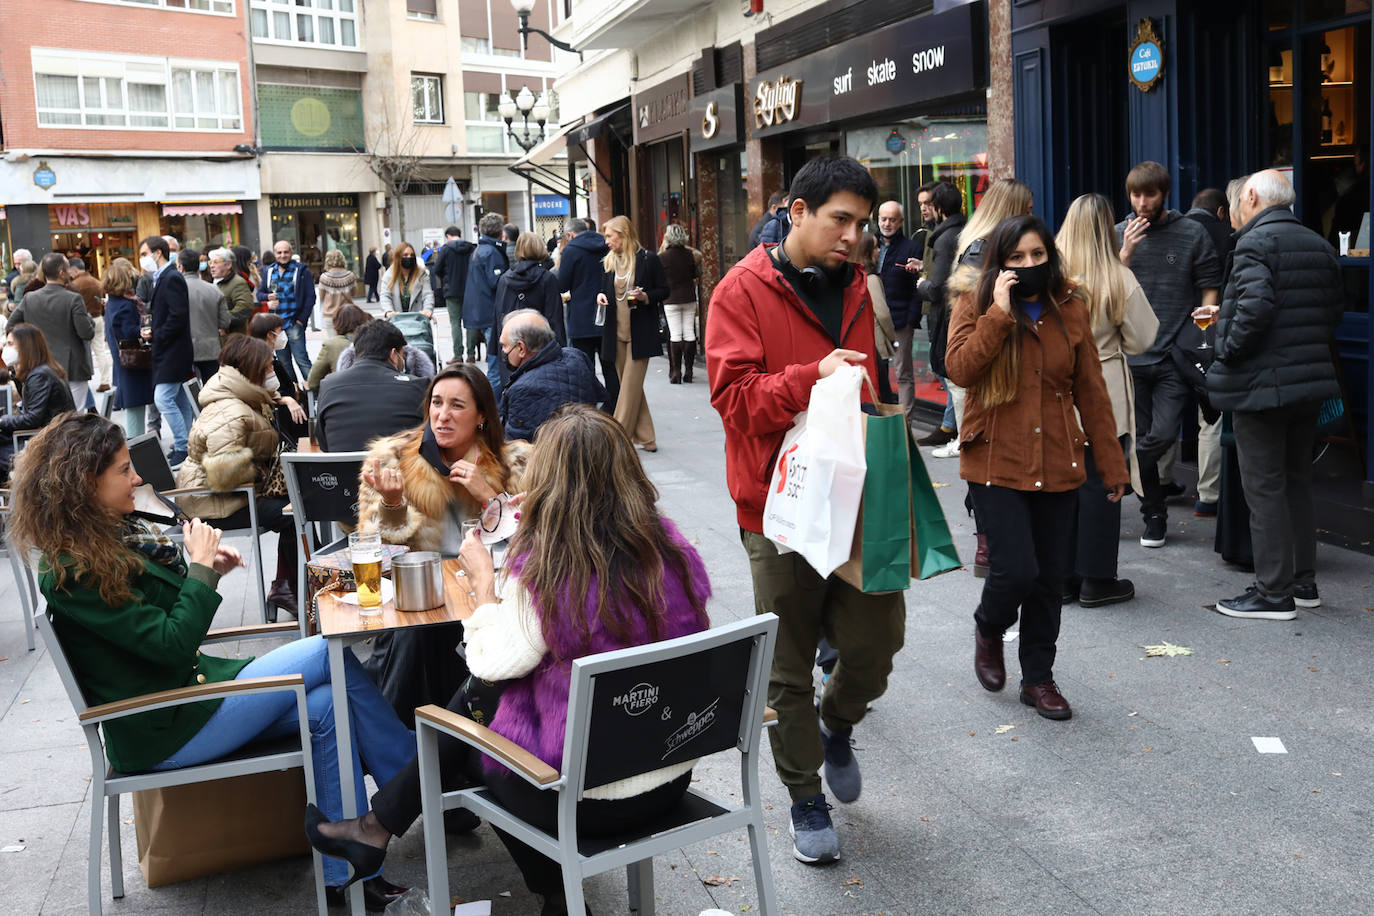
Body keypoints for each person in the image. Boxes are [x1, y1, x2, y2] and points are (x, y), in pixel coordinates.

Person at [304, 405, 709, 916]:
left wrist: (485, 586)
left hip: (585, 802)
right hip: (669, 773)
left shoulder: (550, 566)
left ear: (548, 484)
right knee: (475, 702)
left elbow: (490, 662)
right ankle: (377, 828)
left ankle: (552, 892)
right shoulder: (672, 548)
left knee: (469, 724)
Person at [9, 412, 416, 909]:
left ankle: (347, 871)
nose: (136, 478)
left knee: (329, 702)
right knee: (326, 650)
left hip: (184, 697)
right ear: (83, 483)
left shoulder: (108, 539)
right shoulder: (72, 569)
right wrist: (200, 570)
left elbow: (158, 631)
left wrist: (207, 572)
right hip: (162, 723)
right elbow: (170, 644)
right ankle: (417, 784)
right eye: (122, 469)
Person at [707, 156, 895, 866]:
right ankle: (803, 792)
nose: (852, 236)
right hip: (775, 507)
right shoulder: (741, 290)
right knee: (787, 660)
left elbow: (867, 385)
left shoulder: (857, 288)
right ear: (797, 213)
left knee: (879, 642)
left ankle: (838, 720)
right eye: (839, 220)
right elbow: (735, 402)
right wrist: (808, 378)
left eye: (861, 223)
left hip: (855, 498)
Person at [945, 213, 1128, 722]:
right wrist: (999, 314)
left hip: (1059, 459)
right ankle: (988, 626)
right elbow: (959, 369)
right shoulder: (975, 302)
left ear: (1051, 255)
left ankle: (1039, 680)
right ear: (999, 264)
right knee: (1015, 569)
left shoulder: (1069, 308)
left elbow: (1092, 389)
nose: (1028, 265)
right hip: (994, 459)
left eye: (1037, 256)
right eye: (1016, 258)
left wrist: (1112, 465)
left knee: (1049, 579)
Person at [1206, 170, 1344, 620]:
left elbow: (1256, 307)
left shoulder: (1253, 243)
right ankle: (1303, 582)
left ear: (1250, 196)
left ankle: (1273, 592)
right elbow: (1331, 311)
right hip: (1308, 383)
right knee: (1298, 482)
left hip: (1263, 386)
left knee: (1264, 487)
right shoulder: (1318, 244)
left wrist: (1225, 344)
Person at [355, 364, 525, 724]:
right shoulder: (394, 460)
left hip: (490, 596)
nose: (442, 416)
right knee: (418, 636)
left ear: (481, 416)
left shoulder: (513, 464)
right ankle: (401, 743)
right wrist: (393, 504)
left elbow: (532, 546)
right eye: (436, 403)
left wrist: (489, 496)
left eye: (457, 406)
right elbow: (374, 552)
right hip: (419, 603)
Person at [1056, 194, 1159, 607]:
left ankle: (1062, 577)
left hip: (1057, 388)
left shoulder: (1050, 275)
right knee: (1102, 481)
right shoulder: (1116, 276)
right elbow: (1143, 338)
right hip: (1103, 385)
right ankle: (1097, 578)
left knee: (1062, 484)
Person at [1117, 161, 1222, 549]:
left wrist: (1199, 335)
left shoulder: (1191, 233)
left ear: (1165, 194)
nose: (1142, 202)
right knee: (1143, 435)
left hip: (1174, 356)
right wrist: (1125, 252)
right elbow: (1104, 291)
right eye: (1136, 195)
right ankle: (1154, 515)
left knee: (1161, 435)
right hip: (1129, 356)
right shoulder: (1117, 234)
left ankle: (1133, 475)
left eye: (1150, 194)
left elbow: (1210, 286)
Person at [175, 335, 300, 616]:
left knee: (300, 506)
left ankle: (290, 585)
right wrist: (266, 476)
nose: (273, 372)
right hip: (214, 503)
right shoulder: (230, 410)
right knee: (296, 515)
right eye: (269, 367)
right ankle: (291, 587)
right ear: (253, 370)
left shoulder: (243, 397)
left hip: (227, 494)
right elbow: (225, 474)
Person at [1181, 187, 1234, 518]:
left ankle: (1157, 480)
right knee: (1210, 416)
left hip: (1170, 333)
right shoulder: (1227, 235)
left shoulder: (1172, 232)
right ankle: (1209, 494)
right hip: (1209, 333)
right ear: (1220, 211)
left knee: (1165, 412)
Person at [596, 216, 667, 452]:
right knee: (632, 388)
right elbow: (602, 290)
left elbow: (664, 290)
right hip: (615, 333)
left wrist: (646, 297)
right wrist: (600, 296)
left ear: (624, 234)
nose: (606, 241)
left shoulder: (648, 259)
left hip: (640, 333)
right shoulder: (608, 262)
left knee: (629, 387)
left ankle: (618, 438)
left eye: (609, 236)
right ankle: (648, 439)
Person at [316, 320, 428, 453]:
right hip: (400, 470)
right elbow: (430, 439)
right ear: (393, 354)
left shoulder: (328, 385)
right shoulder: (418, 386)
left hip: (343, 472)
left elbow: (323, 443)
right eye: (402, 355)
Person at [916, 182, 969, 455]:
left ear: (938, 208)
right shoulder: (959, 232)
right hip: (957, 312)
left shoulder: (946, 238)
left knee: (953, 380)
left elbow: (937, 288)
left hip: (948, 316)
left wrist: (921, 284)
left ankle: (961, 440)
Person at [498, 310, 605, 441]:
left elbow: (517, 446)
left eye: (504, 345)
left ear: (521, 348)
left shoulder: (522, 390)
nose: (503, 351)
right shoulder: (576, 356)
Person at [136, 237, 197, 467]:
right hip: (172, 349)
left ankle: (183, 445)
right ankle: (188, 443)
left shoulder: (171, 277)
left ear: (157, 253)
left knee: (162, 399)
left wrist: (157, 334)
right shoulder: (163, 277)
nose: (142, 259)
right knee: (179, 399)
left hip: (173, 350)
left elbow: (177, 316)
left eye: (144, 253)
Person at [8, 252, 95, 407]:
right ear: (61, 273)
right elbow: (86, 333)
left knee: (50, 418)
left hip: (40, 364)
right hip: (72, 366)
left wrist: (27, 345)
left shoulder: (30, 298)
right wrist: (89, 319)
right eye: (68, 269)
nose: (70, 272)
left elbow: (11, 326)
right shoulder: (73, 298)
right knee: (75, 417)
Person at [874, 201, 926, 423]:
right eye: (883, 219)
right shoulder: (869, 244)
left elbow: (917, 287)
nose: (887, 224)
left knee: (903, 373)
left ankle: (905, 424)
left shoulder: (911, 248)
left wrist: (912, 320)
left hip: (901, 320)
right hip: (873, 320)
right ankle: (880, 420)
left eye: (892, 219)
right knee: (876, 371)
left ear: (901, 222)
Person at [0, 324, 76, 475]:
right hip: (57, 437)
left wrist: (2, 421)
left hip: (51, 444)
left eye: (10, 344)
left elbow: (32, 419)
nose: (5, 348)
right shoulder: (43, 370)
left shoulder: (39, 375)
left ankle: (13, 494)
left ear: (25, 346)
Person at [493, 232, 565, 388]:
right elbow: (554, 318)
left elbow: (498, 314)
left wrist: (496, 347)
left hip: (511, 348)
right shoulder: (547, 278)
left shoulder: (505, 279)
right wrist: (561, 349)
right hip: (540, 349)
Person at [558, 218, 615, 409]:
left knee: (584, 366)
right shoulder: (606, 245)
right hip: (607, 312)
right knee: (610, 365)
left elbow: (562, 284)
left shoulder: (571, 251)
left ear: (570, 234)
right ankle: (613, 404)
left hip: (581, 316)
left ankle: (589, 406)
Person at [101, 259, 156, 437]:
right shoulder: (125, 306)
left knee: (135, 409)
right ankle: (136, 450)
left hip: (123, 363)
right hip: (133, 364)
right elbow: (129, 332)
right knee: (135, 412)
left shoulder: (112, 304)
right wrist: (144, 330)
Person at [464, 213, 510, 397]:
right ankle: (494, 408)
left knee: (493, 361)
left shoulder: (478, 250)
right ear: (500, 231)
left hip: (477, 311)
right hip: (490, 311)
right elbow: (497, 282)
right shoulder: (492, 252)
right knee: (495, 364)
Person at [255, 240, 316, 380]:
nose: (283, 255)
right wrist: (267, 297)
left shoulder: (300, 270)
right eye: (279, 252)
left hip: (294, 323)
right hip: (276, 327)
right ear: (275, 254)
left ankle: (316, 394)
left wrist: (301, 320)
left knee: (302, 360)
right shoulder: (269, 271)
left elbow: (310, 297)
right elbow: (259, 294)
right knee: (284, 363)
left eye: (286, 252)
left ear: (291, 253)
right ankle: (295, 395)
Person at [247, 314, 309, 443]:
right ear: (270, 335)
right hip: (279, 419)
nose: (283, 334)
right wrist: (286, 400)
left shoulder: (266, 356)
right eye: (280, 330)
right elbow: (260, 391)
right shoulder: (258, 360)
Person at [854, 231, 899, 403]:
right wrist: (894, 339)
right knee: (882, 392)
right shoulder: (871, 278)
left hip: (863, 343)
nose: (879, 250)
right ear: (867, 251)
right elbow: (882, 314)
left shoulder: (856, 275)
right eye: (875, 247)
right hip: (877, 344)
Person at [657, 223, 701, 384]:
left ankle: (676, 372)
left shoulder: (662, 257)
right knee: (689, 332)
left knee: (675, 334)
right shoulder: (690, 255)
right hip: (688, 297)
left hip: (671, 299)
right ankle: (689, 371)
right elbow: (696, 275)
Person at [179, 250, 232, 383]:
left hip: (184, 350)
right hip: (211, 349)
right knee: (213, 391)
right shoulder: (214, 289)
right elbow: (225, 322)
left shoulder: (176, 290)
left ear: (181, 267)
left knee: (191, 393)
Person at [431, 226, 477, 362]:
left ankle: (458, 355)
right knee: (471, 323)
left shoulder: (446, 249)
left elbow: (437, 269)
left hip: (451, 290)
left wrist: (446, 278)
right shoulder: (471, 248)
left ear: (448, 235)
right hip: (470, 290)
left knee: (455, 323)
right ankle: (471, 354)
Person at [66, 258, 111, 392]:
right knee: (100, 351)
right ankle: (105, 380)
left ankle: (84, 382)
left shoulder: (74, 285)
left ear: (74, 270)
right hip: (98, 318)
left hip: (83, 321)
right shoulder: (97, 282)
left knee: (82, 352)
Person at [307, 303, 370, 393]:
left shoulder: (331, 344)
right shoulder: (375, 340)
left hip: (344, 397)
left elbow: (313, 383)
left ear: (337, 322)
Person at [379, 242, 434, 318]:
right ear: (398, 257)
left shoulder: (422, 274)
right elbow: (385, 295)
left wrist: (427, 310)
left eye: (412, 255)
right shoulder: (389, 275)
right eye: (405, 255)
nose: (409, 257)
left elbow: (428, 294)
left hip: (418, 320)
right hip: (396, 320)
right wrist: (388, 311)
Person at [208, 247, 255, 334]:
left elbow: (244, 309)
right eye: (210, 262)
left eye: (216, 262)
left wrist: (221, 322)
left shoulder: (237, 282)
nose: (211, 265)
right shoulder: (212, 282)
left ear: (228, 264)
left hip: (232, 339)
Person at [316, 248, 356, 338]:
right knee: (347, 342)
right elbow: (353, 293)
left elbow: (321, 296)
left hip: (330, 314)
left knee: (333, 342)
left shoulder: (324, 277)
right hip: (347, 313)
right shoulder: (350, 275)